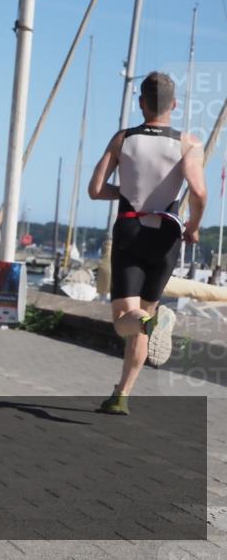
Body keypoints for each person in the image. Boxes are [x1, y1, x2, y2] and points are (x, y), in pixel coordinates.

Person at [88, 71, 205, 416]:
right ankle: (121, 394)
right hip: (167, 237)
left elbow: (96, 190)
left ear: (141, 103)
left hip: (131, 231)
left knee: (124, 320)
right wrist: (193, 227)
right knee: (143, 317)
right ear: (174, 104)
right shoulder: (189, 143)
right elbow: (199, 193)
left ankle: (153, 324)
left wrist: (125, 191)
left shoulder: (123, 139)